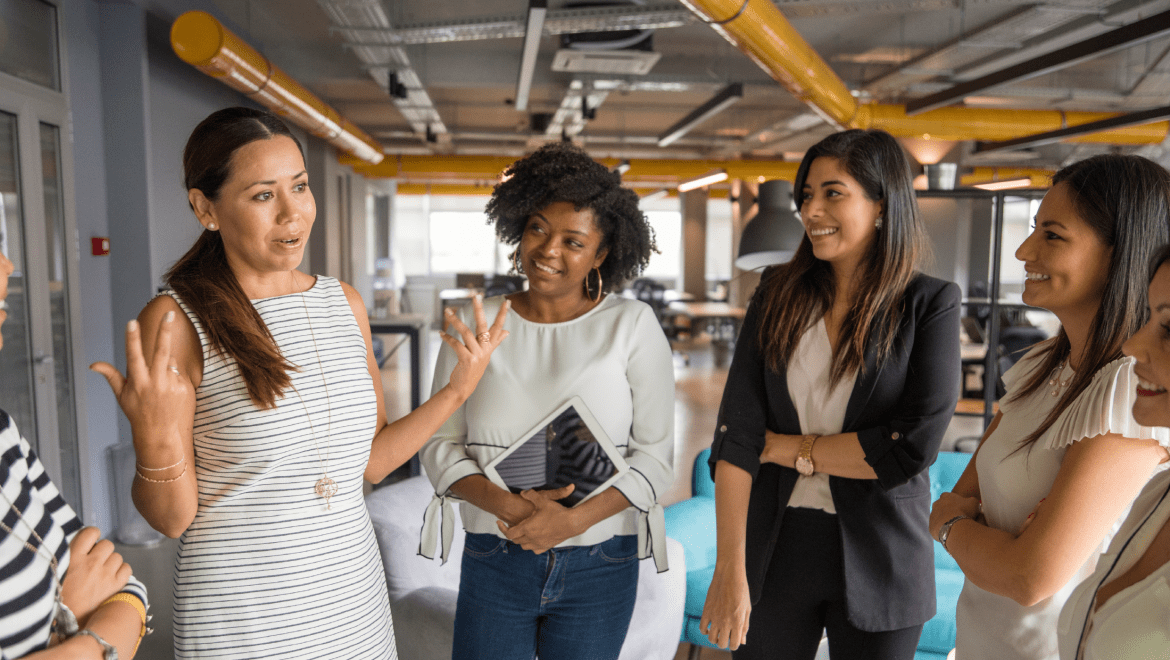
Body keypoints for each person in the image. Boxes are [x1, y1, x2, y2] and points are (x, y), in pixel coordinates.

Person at [88, 107, 508, 659]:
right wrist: (155, 437)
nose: (293, 213)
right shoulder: (176, 321)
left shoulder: (343, 302)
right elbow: (171, 519)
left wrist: (457, 389)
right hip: (243, 616)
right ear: (205, 208)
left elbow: (373, 463)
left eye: (301, 187)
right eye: (263, 195)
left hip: (353, 601)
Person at [701, 128, 961, 659]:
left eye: (832, 193)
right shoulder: (775, 292)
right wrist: (730, 569)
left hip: (883, 556)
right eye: (806, 195)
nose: (811, 209)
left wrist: (786, 449)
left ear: (883, 203)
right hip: (775, 548)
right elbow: (736, 436)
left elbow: (908, 448)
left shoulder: (929, 303)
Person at [418, 142, 673, 660]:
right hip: (496, 551)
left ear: (601, 254)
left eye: (573, 241)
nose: (549, 250)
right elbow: (440, 445)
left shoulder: (632, 326)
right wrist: (509, 508)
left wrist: (572, 521)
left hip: (602, 559)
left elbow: (655, 460)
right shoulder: (477, 322)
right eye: (538, 228)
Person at [929, 154, 1170, 660]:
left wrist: (952, 526)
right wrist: (981, 533)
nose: (1023, 249)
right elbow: (958, 495)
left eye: (1052, 235)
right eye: (1034, 228)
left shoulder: (1131, 391)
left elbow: (1029, 576)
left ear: (1120, 254)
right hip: (981, 641)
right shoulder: (1043, 361)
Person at [0, 251, 149, 659]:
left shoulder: (3, 432)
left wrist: (66, 640)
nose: (8, 264)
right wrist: (69, 618)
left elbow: (124, 584)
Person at [1056, 243, 1170, 659]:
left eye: (1169, 328)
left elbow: (1029, 574)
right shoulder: (1158, 494)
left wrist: (952, 523)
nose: (1132, 346)